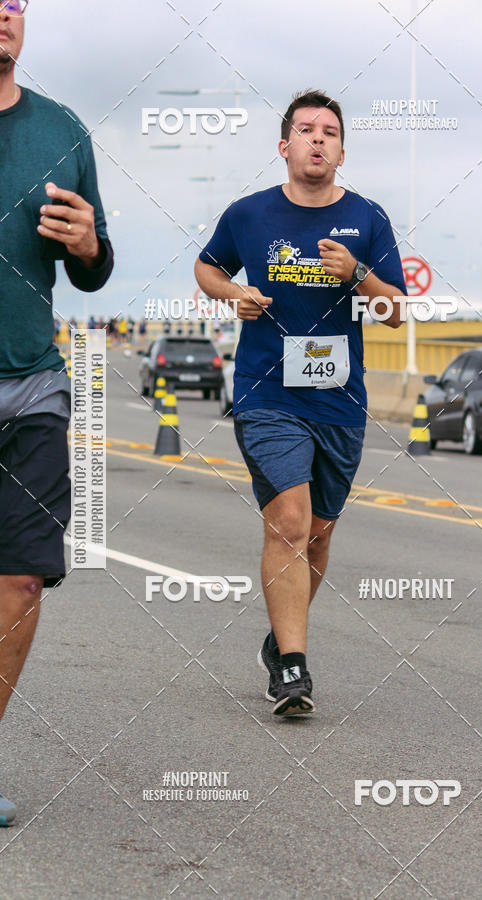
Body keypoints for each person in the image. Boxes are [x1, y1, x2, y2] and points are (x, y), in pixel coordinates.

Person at [195, 89, 406, 716]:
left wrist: (357, 276)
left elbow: (395, 312)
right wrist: (233, 292)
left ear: (342, 150)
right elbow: (205, 269)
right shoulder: (248, 215)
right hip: (268, 392)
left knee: (317, 533)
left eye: (330, 132)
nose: (318, 139)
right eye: (306, 130)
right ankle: (293, 667)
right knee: (288, 520)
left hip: (340, 400)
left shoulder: (368, 219)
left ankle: (277, 638)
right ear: (284, 146)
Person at [0, 0, 114, 825]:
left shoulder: (64, 129)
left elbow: (97, 270)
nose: (4, 14)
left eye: (14, 2)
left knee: (21, 578)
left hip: (33, 382)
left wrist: (85, 244)